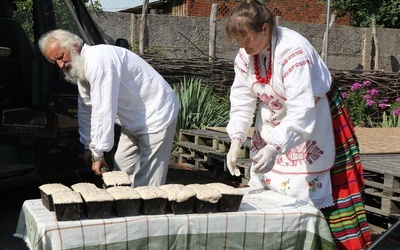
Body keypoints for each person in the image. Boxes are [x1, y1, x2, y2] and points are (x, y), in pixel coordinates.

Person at [224, 1, 371, 249]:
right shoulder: (246, 55)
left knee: (311, 192)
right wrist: (236, 138)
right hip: (273, 118)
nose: (243, 44)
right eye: (238, 39)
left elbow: (302, 108)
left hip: (311, 118)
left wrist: (275, 147)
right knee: (269, 185)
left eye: (246, 37)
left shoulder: (293, 52)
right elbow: (242, 98)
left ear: (266, 29)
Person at [38, 29, 179, 187]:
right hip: (133, 119)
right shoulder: (83, 66)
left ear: (75, 46)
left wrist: (97, 155)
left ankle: (149, 209)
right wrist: (88, 145)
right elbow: (86, 107)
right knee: (121, 174)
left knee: (149, 182)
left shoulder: (99, 61)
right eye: (54, 62)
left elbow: (103, 110)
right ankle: (125, 207)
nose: (60, 65)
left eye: (60, 57)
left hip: (156, 113)